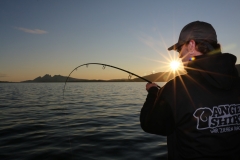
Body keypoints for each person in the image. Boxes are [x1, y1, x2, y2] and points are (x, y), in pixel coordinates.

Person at [140, 21, 240, 160]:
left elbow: (150, 125)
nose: (179, 56)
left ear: (191, 45)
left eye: (179, 49)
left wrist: (153, 93)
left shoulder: (176, 88)